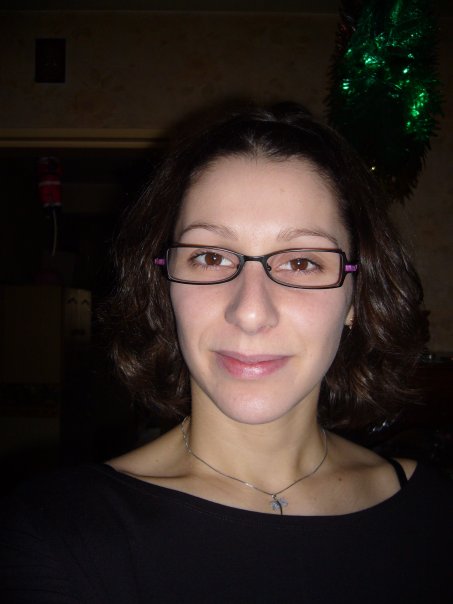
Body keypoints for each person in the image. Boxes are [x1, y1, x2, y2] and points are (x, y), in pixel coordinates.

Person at [1, 103, 452, 603]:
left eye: (302, 262)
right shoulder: (59, 533)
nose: (250, 312)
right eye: (210, 256)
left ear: (355, 298)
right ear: (165, 286)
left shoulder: (434, 511)